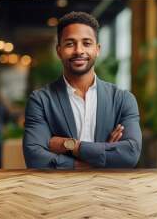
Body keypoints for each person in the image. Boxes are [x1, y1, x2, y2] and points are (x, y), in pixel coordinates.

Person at [23, 11, 142, 169]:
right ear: (59, 50)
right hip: (58, 191)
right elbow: (34, 157)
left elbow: (130, 154)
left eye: (86, 43)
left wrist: (70, 145)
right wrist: (97, 159)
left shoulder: (123, 99)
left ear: (97, 49)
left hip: (110, 190)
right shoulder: (40, 100)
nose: (79, 50)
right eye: (70, 44)